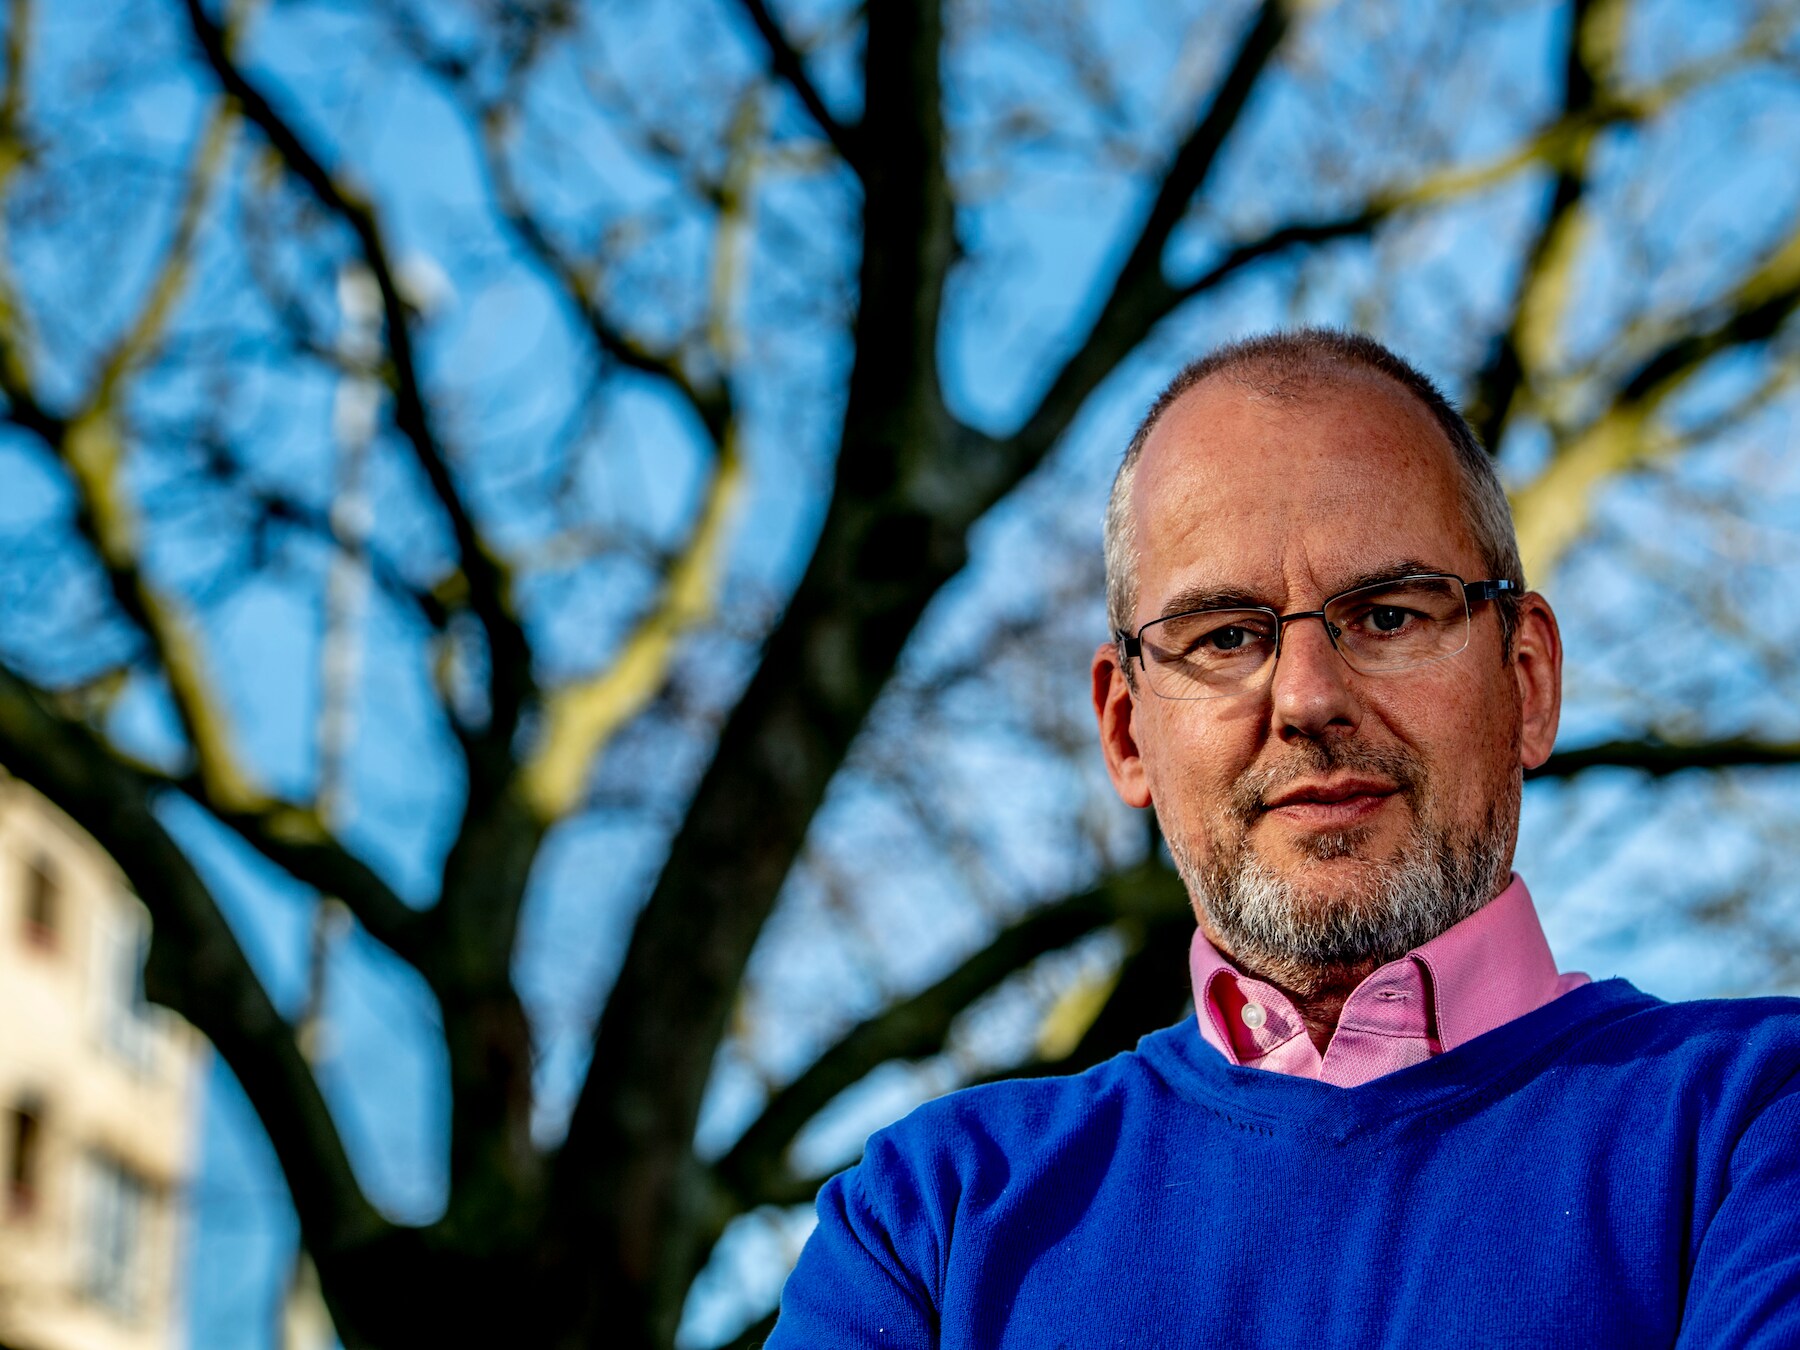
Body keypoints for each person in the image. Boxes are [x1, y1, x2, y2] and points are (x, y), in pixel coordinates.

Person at [765, 330, 1800, 1347]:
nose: (1307, 698)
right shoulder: (927, 1224)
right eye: (1224, 635)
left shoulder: (1757, 1121)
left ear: (1526, 680)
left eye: (1390, 615)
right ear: (1127, 730)